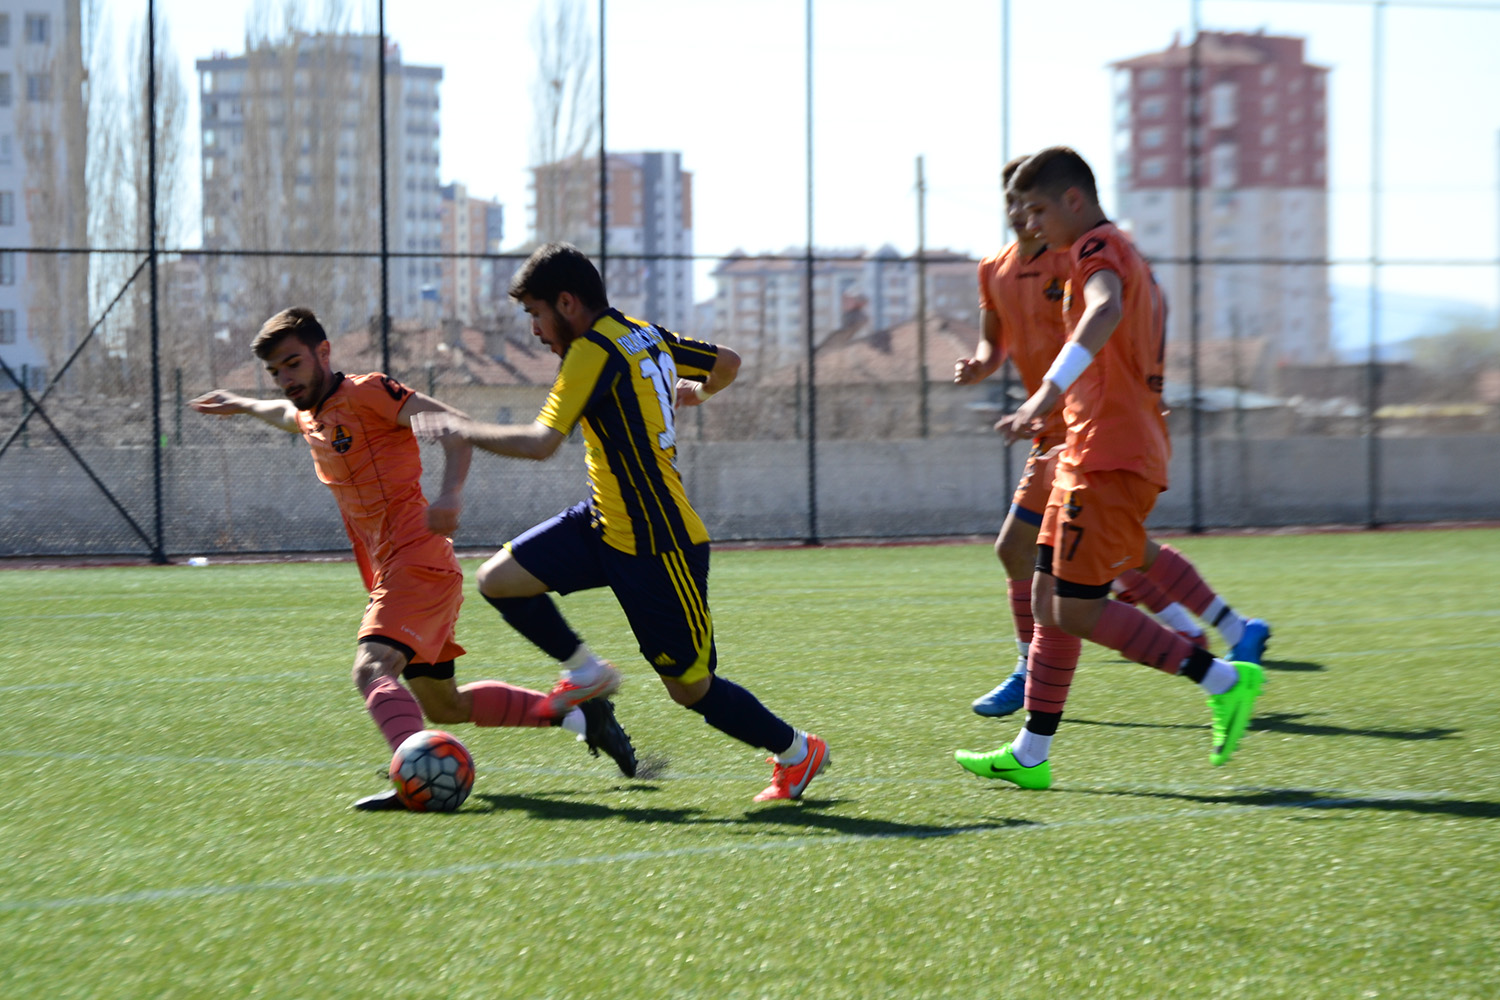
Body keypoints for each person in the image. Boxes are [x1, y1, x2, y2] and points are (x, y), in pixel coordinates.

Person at [408, 243, 828, 803]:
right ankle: (585, 672)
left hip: (660, 542)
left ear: (567, 302)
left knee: (691, 689)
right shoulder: (644, 332)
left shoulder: (592, 350)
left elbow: (540, 443)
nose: (534, 329)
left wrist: (461, 430)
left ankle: (798, 752)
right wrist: (697, 393)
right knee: (499, 579)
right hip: (604, 522)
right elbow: (727, 361)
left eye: (536, 314)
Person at [190, 307, 636, 810]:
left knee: (371, 667)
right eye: (276, 372)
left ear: (323, 352)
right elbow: (288, 417)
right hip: (409, 568)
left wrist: (450, 495)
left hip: (415, 561)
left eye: (293, 364)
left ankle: (413, 776)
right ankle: (580, 716)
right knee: (444, 704)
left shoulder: (368, 392)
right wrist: (244, 404)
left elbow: (452, 425)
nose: (286, 379)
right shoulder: (314, 412)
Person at [955, 148, 1265, 790]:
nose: (1030, 223)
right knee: (1047, 599)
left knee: (1076, 608)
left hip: (1108, 452)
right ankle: (1030, 754)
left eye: (1039, 209)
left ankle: (1223, 678)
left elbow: (1105, 309)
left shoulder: (1098, 247)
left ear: (1073, 200)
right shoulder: (1093, 254)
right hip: (1085, 449)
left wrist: (1044, 394)